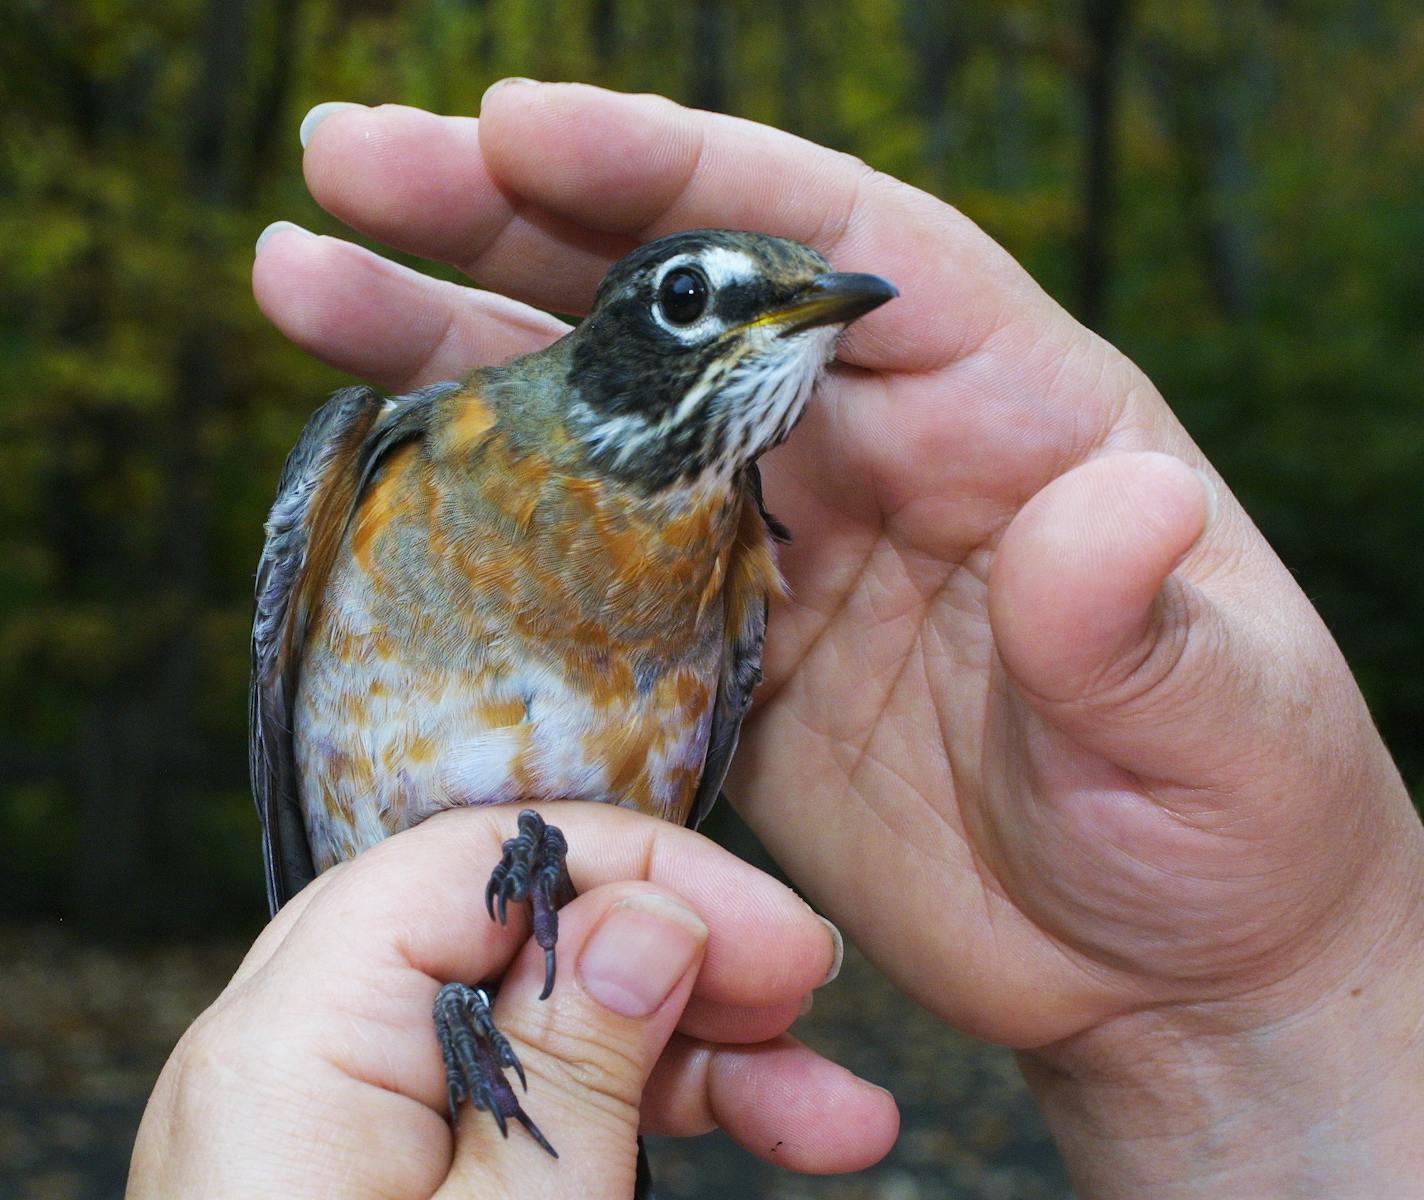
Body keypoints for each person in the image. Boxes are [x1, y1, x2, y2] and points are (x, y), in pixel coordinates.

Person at [129, 83, 1424, 1199]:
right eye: (696, 302)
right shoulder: (396, 454)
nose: (796, 323)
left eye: (805, 312)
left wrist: (1282, 994)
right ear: (613, 336)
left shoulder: (732, 550)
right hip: (388, 985)